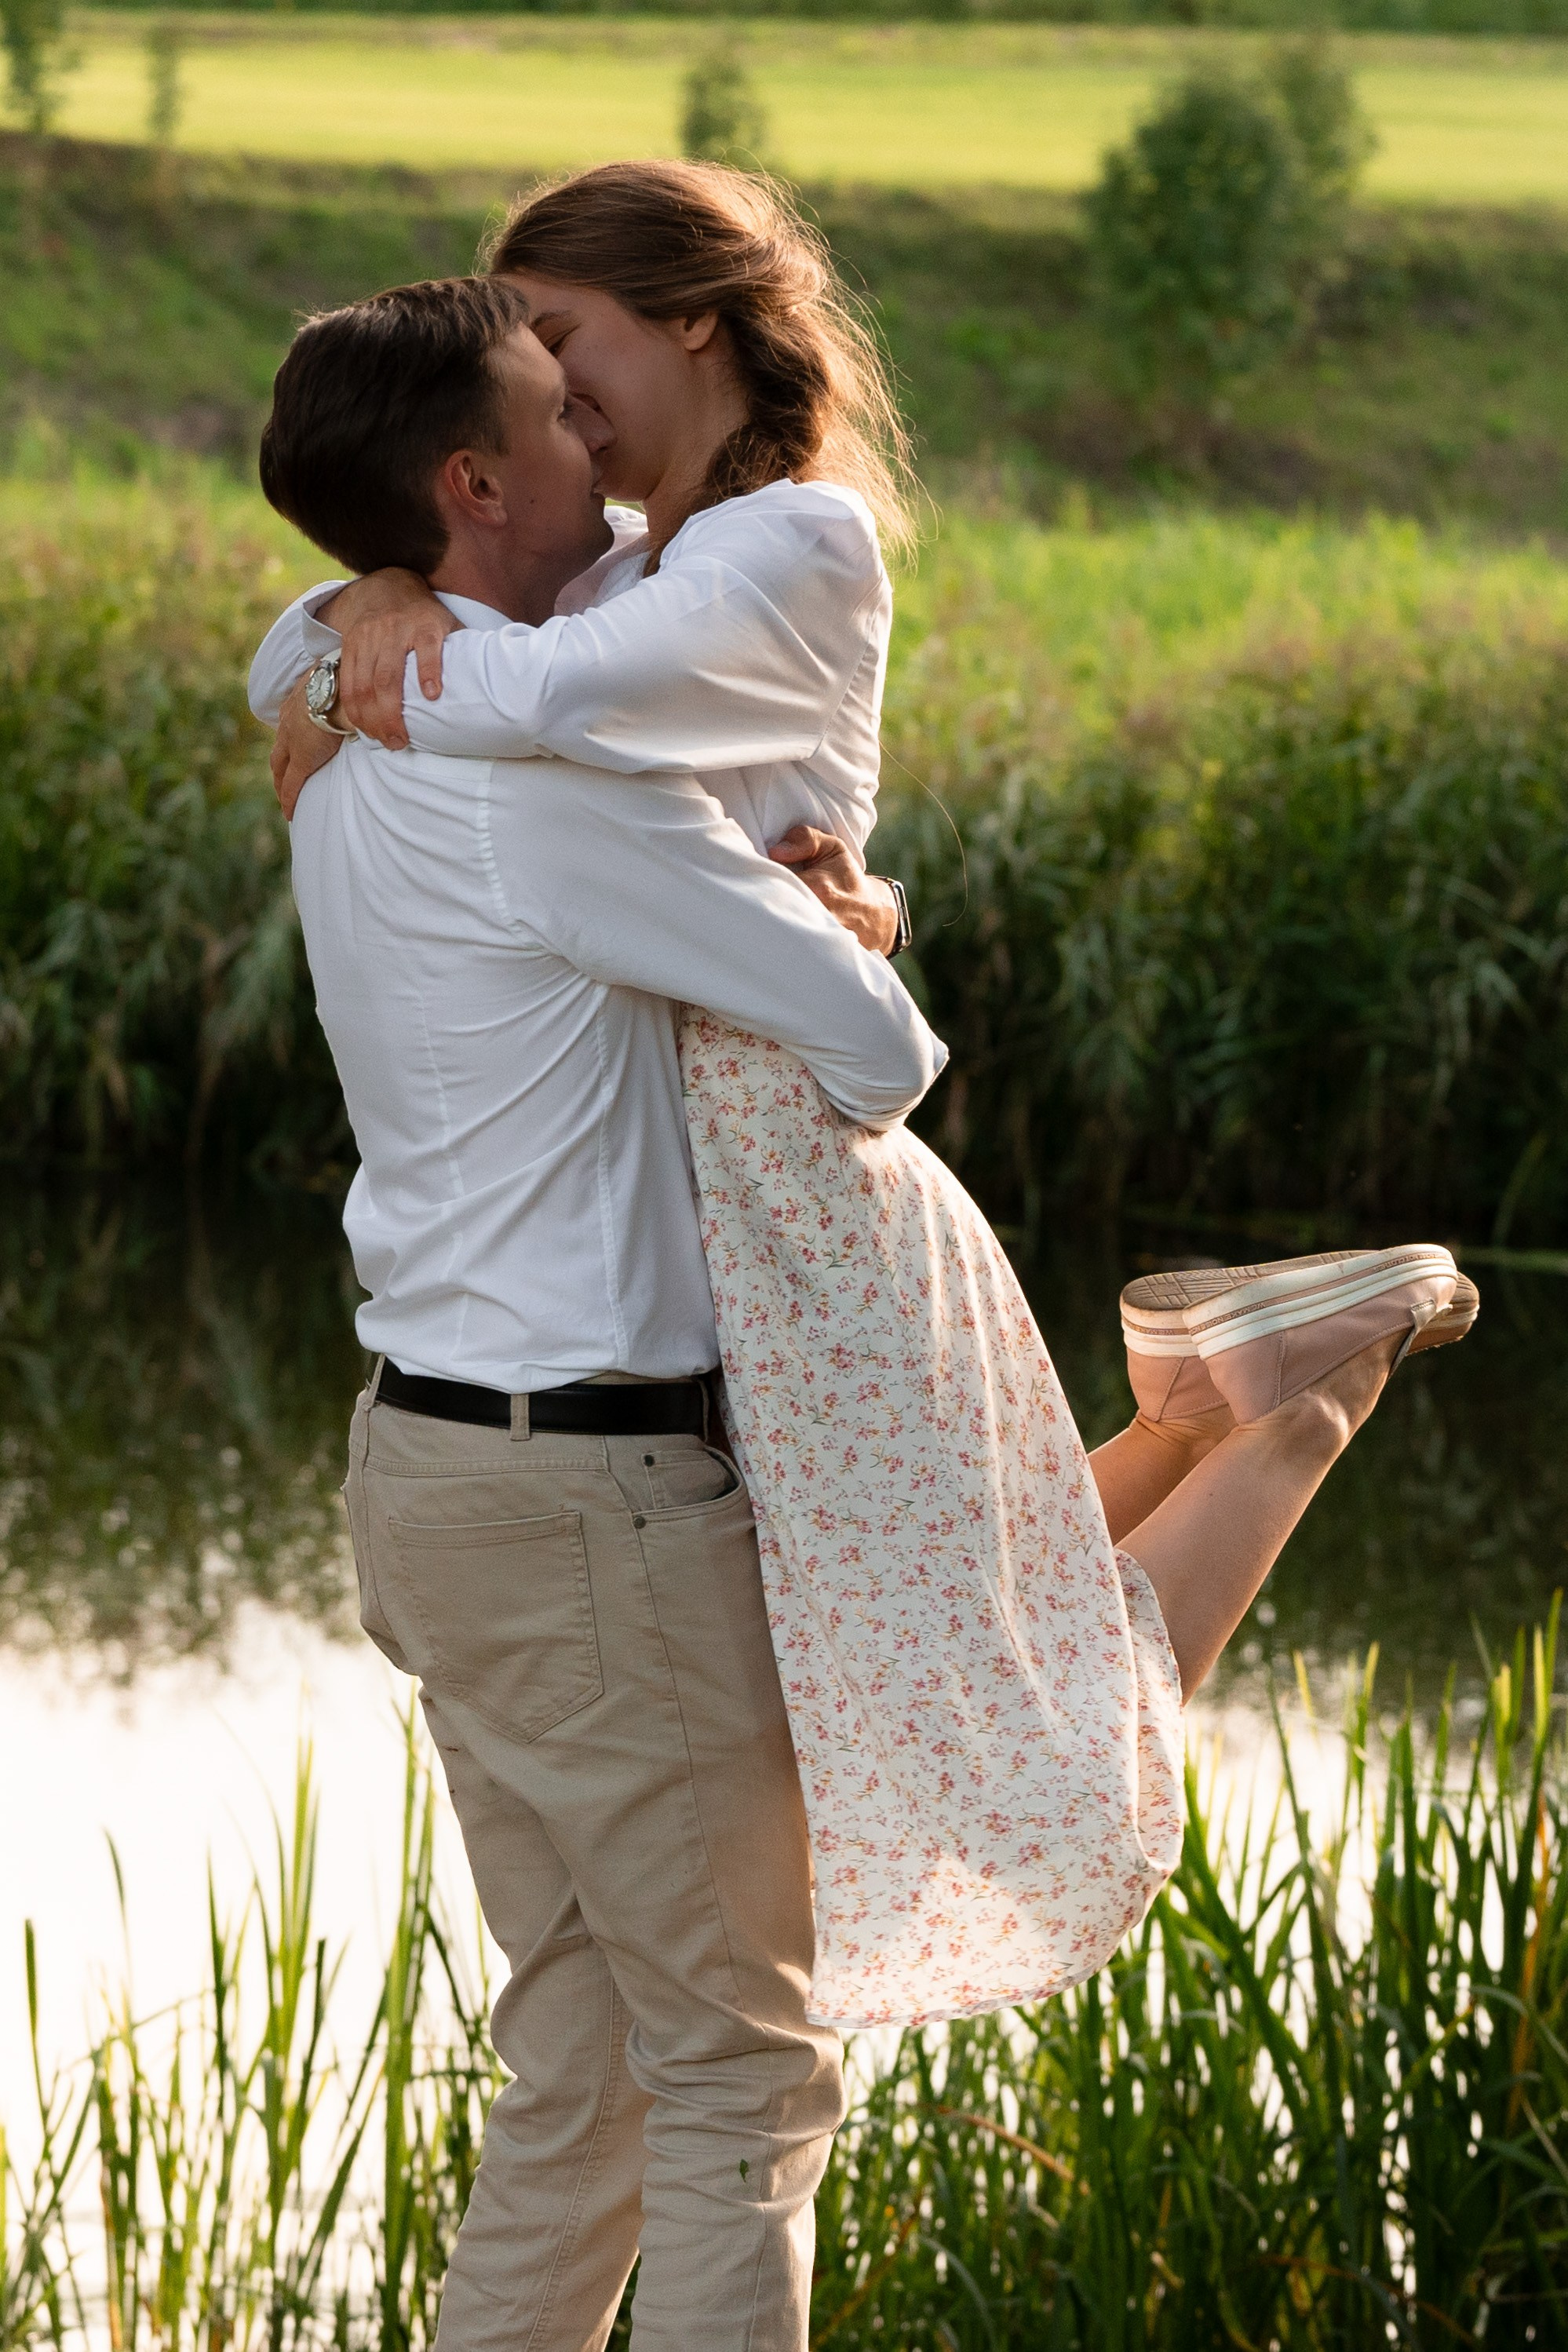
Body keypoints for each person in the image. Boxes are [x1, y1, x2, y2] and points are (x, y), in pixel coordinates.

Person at [252, 163, 1475, 2039]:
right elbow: (430, 632)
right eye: (535, 387)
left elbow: (556, 694)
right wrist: (376, 598)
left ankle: (1299, 1411)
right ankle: (1202, 1394)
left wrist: (371, 654)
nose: (562, 404)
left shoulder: (790, 542)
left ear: (693, 321)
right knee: (910, 1631)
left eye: (572, 347)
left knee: (976, 1686)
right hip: (722, 1166)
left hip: (788, 1154)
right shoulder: (620, 550)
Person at [258, 272, 941, 2352]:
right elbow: (876, 1050)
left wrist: (348, 614)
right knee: (743, 2078)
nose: (608, 460)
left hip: (434, 1475)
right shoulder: (547, 783)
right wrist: (818, 914)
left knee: (589, 2076)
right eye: (562, 419)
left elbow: (309, 638)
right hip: (594, 1500)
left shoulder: (345, 728)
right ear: (474, 485)